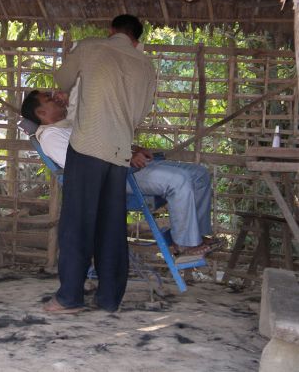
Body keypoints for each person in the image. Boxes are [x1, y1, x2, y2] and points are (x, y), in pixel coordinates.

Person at [36, 14, 157, 313]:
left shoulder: (91, 47)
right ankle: (109, 298)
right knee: (112, 225)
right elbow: (140, 115)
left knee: (77, 223)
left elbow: (62, 79)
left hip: (88, 145)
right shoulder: (146, 65)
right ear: (136, 40)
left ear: (111, 31)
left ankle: (69, 298)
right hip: (119, 153)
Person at [20, 89, 218, 261]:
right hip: (110, 179)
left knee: (199, 173)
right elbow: (85, 164)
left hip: (123, 167)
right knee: (179, 180)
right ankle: (185, 245)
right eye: (48, 98)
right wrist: (127, 157)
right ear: (41, 112)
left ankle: (196, 237)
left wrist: (133, 149)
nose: (55, 97)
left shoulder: (68, 125)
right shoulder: (51, 137)